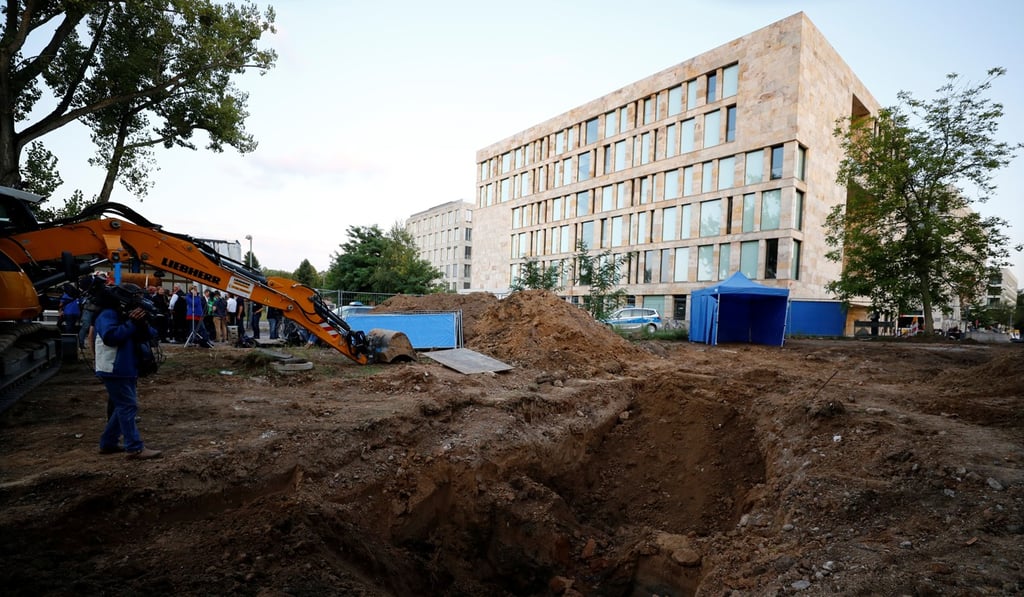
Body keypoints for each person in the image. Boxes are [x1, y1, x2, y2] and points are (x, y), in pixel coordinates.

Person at [93, 283, 162, 460]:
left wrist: (141, 323)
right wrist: (131, 323)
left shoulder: (123, 315)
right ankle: (134, 447)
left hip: (126, 367)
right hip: (114, 367)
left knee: (121, 406)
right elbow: (110, 337)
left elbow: (151, 335)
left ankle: (108, 443)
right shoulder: (108, 314)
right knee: (127, 406)